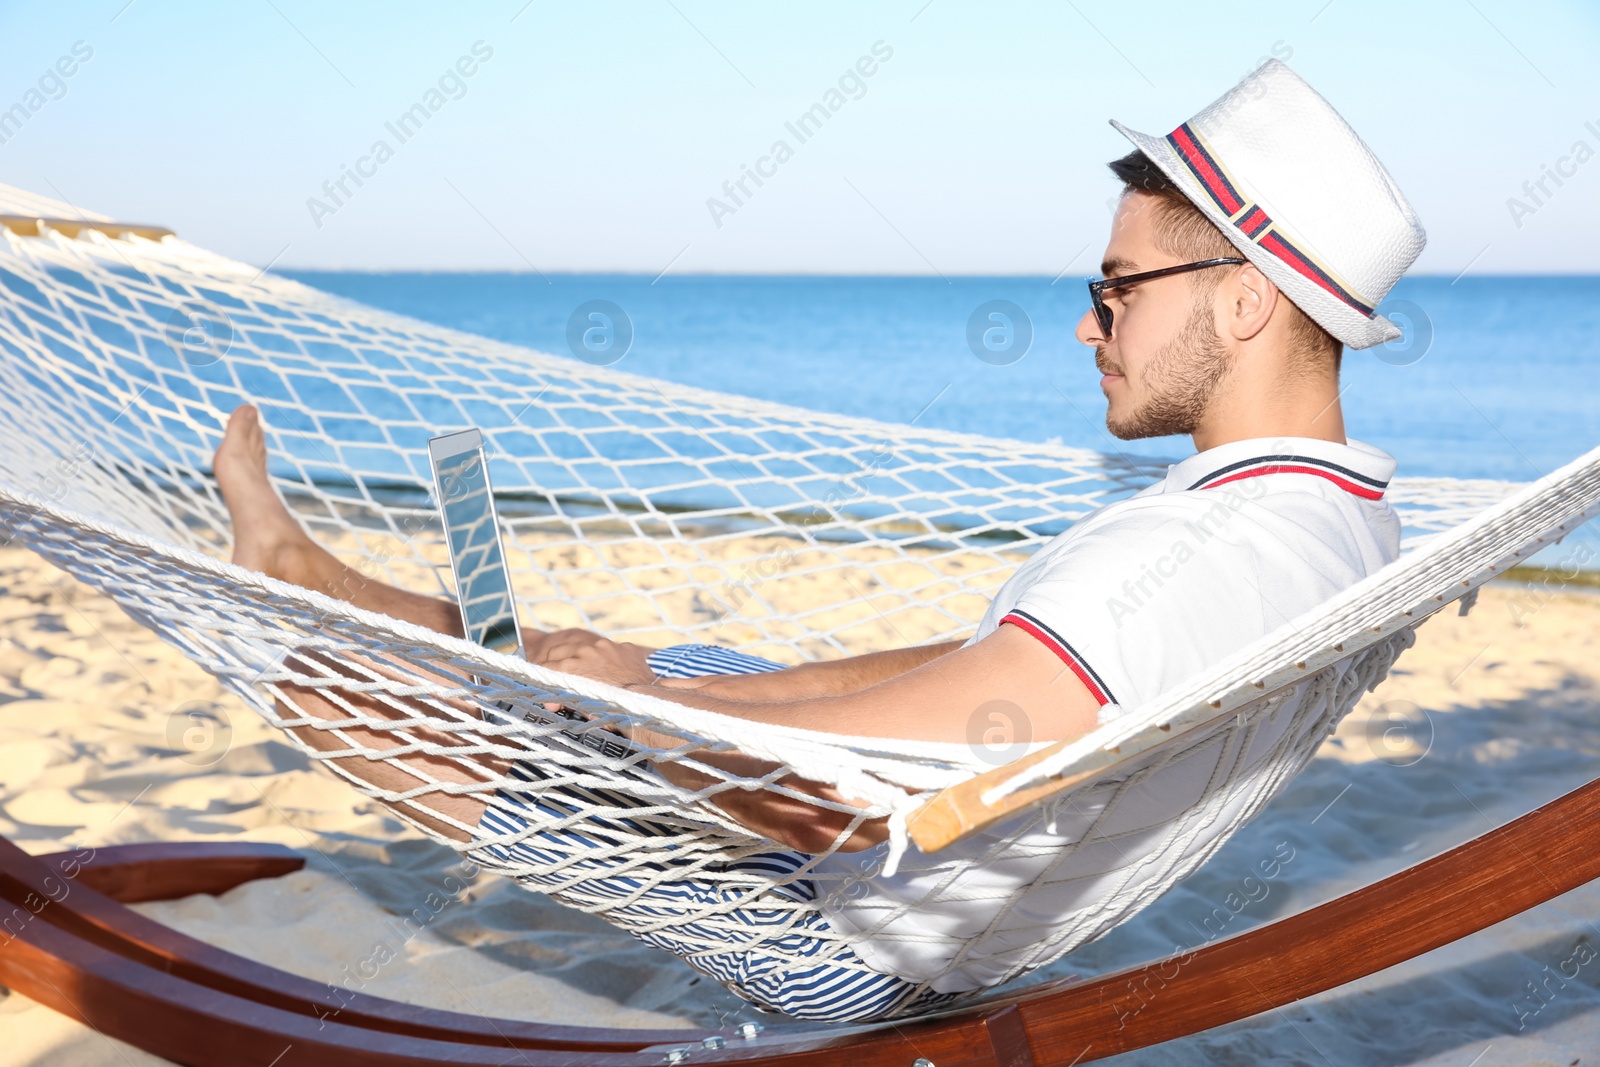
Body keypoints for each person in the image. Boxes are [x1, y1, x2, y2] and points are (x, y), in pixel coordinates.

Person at [213, 59, 1425, 1018]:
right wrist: (665, 686)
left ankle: (309, 610)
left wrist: (632, 727)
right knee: (588, 651)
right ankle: (304, 566)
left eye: (1117, 289)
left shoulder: (1203, 560)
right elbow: (987, 670)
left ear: (1245, 298)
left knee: (340, 695)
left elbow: (848, 800)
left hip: (848, 929)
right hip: (947, 867)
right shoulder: (1339, 517)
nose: (1087, 324)